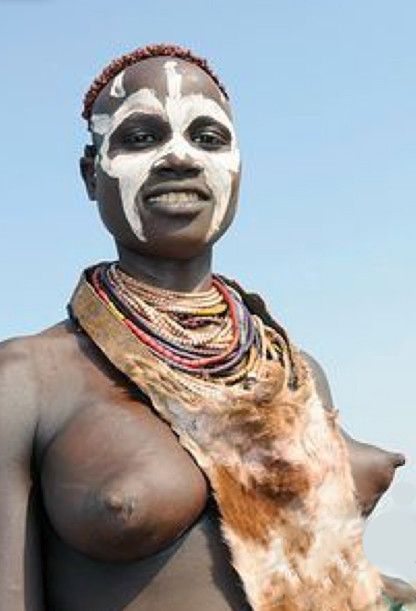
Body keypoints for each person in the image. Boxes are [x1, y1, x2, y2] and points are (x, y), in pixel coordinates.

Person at [0, 43, 414, 611]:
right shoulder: (27, 380)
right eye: (141, 137)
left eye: (208, 138)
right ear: (91, 174)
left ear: (237, 168)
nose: (180, 157)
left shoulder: (292, 371)